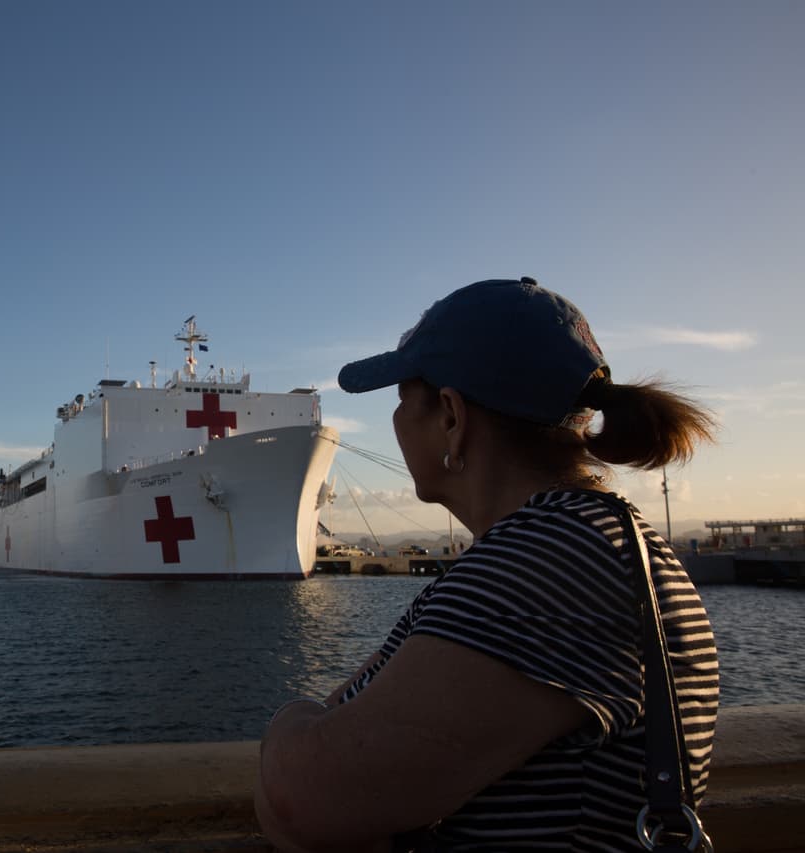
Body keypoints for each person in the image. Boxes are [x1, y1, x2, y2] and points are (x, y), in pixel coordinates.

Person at [256, 277, 719, 851]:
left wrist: (289, 724)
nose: (396, 422)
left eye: (402, 399)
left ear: (451, 416)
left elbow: (300, 799)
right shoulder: (592, 541)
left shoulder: (549, 562)